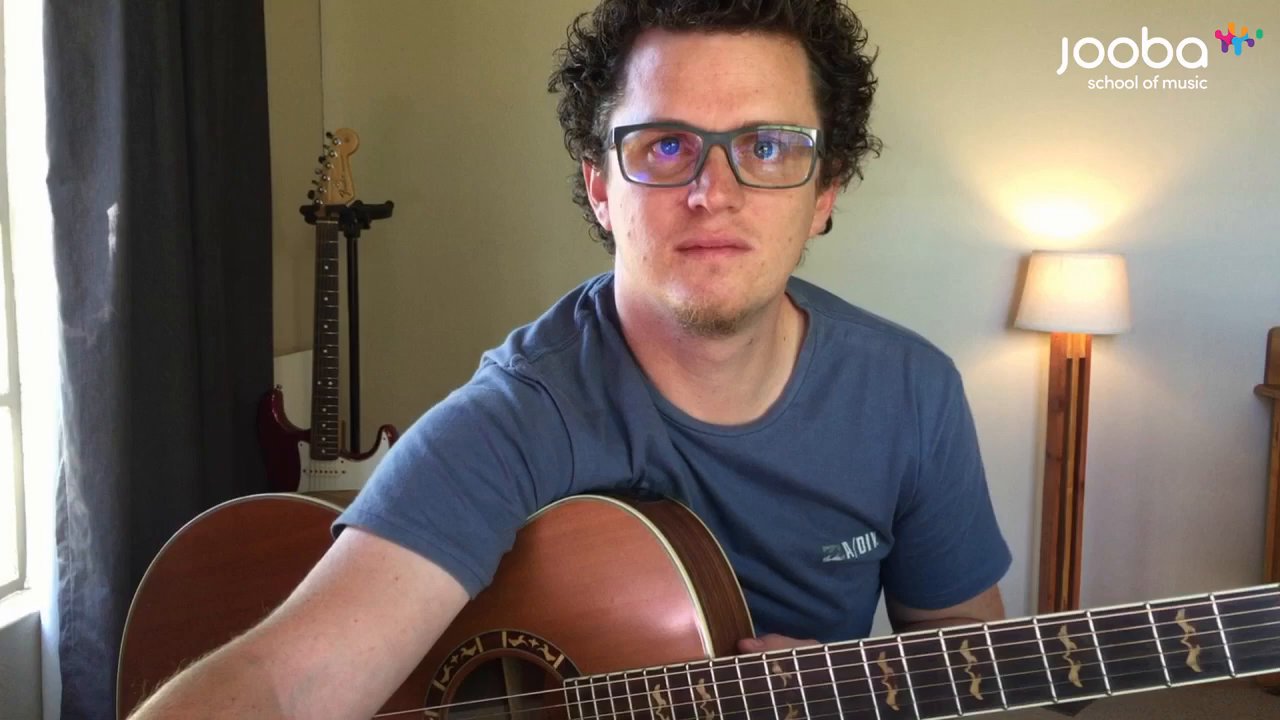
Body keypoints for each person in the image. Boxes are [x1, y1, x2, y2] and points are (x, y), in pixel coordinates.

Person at [130, 1, 1010, 717]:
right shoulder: (517, 418)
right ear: (600, 187)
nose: (713, 193)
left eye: (767, 146)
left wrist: (868, 702)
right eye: (666, 146)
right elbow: (286, 684)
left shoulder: (912, 395)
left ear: (824, 192)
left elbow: (979, 674)